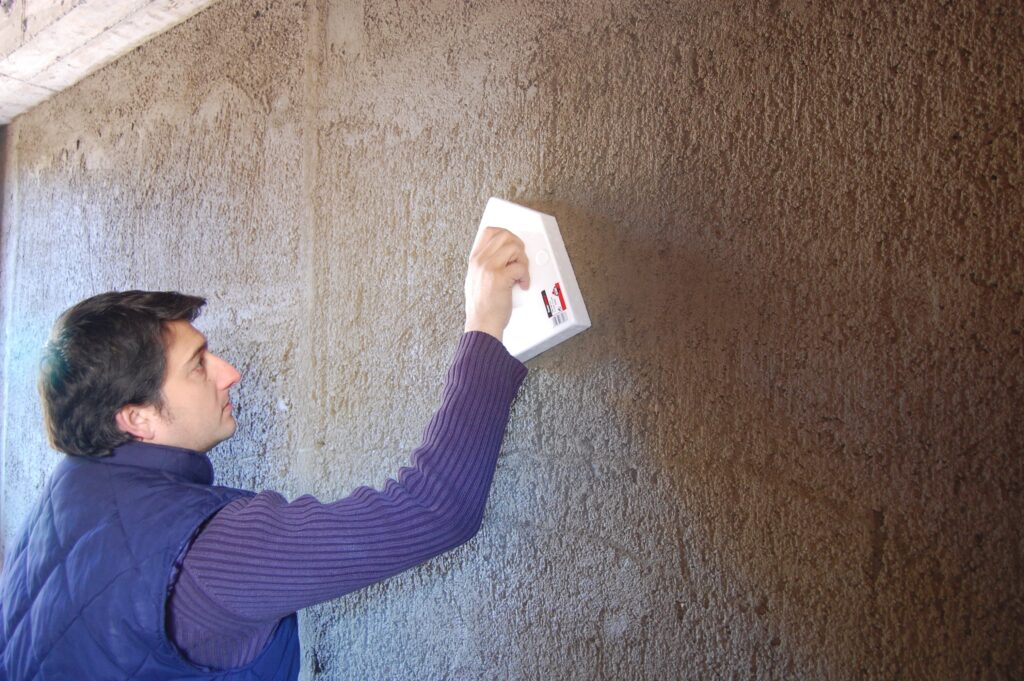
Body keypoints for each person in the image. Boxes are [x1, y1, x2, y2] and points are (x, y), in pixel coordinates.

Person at [0, 227, 530, 680]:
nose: (229, 373)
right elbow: (432, 510)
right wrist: (485, 325)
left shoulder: (65, 497)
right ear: (135, 418)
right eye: (198, 364)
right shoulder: (204, 559)